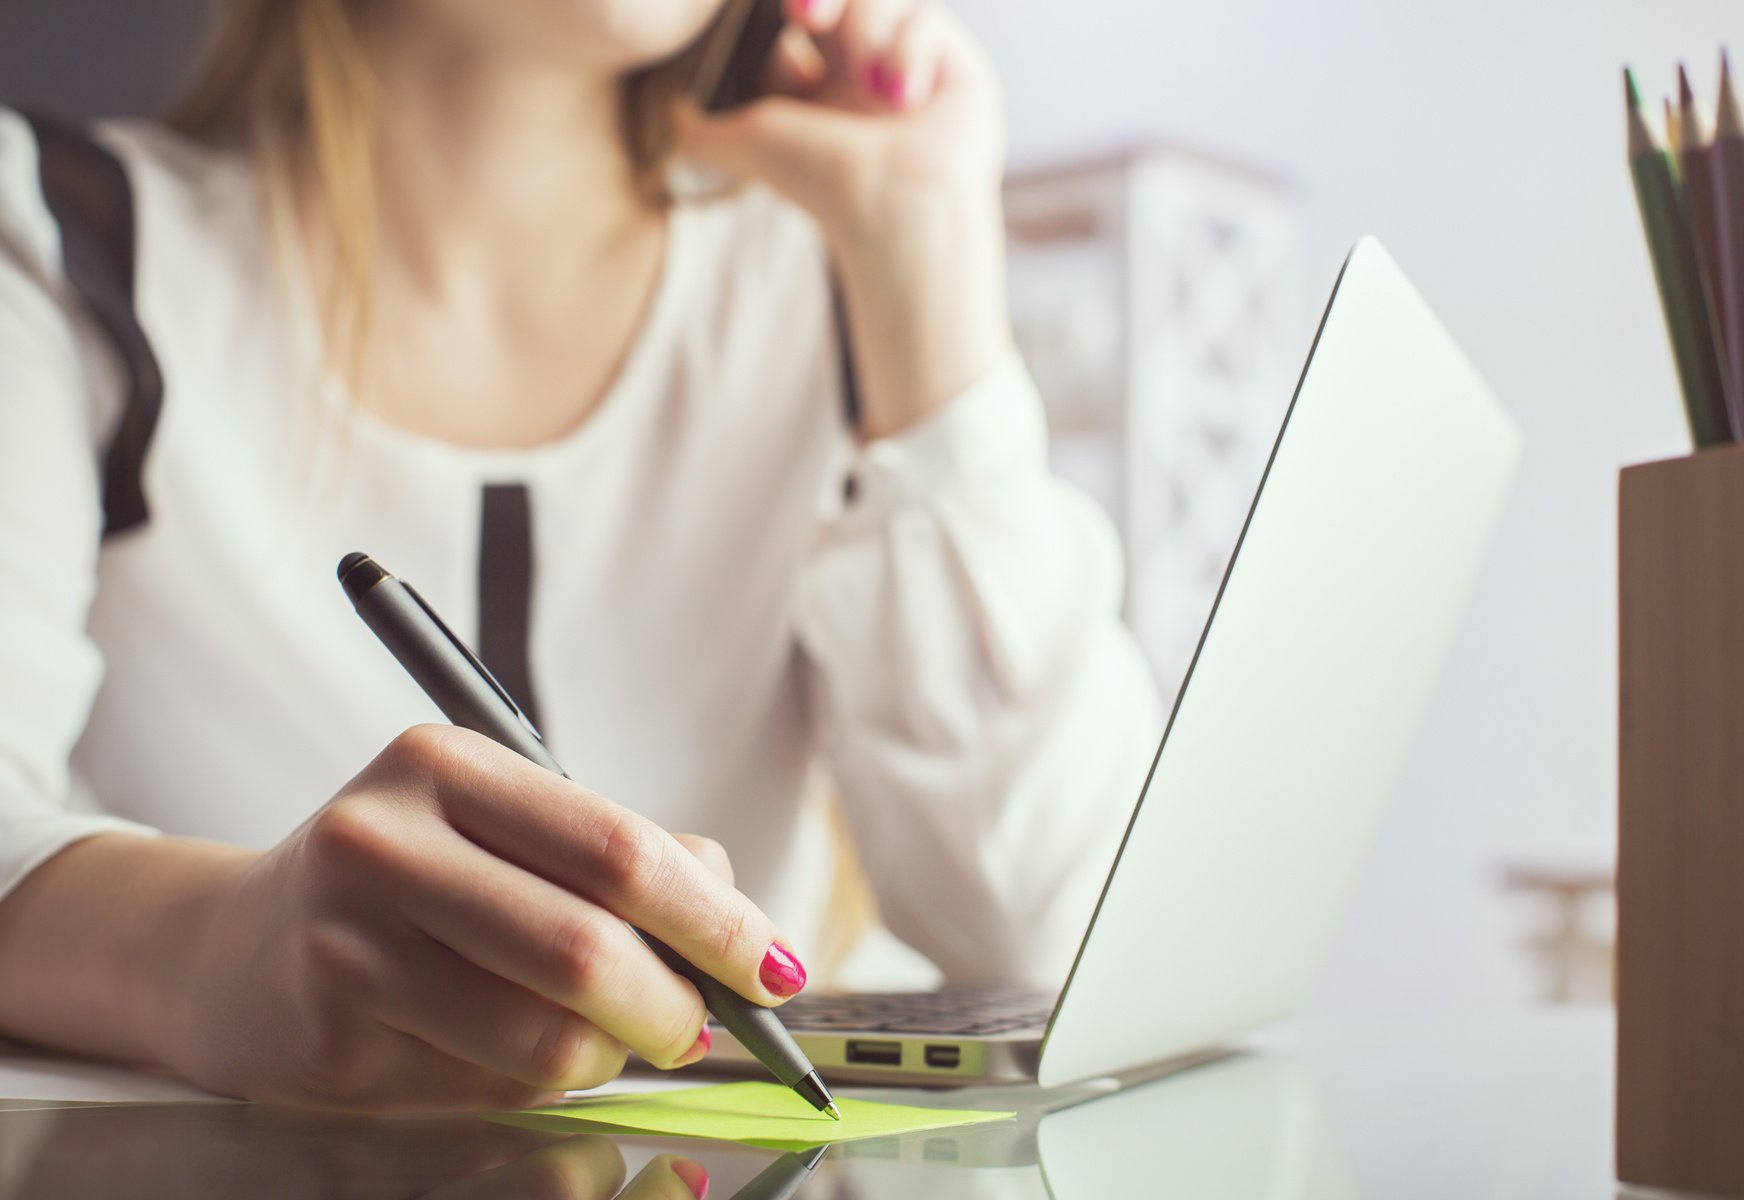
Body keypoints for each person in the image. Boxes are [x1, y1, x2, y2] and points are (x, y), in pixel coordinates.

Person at [0, 0, 1161, 1111]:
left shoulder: (829, 265)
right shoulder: (54, 239)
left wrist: (924, 273)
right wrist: (217, 950)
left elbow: (1081, 940)